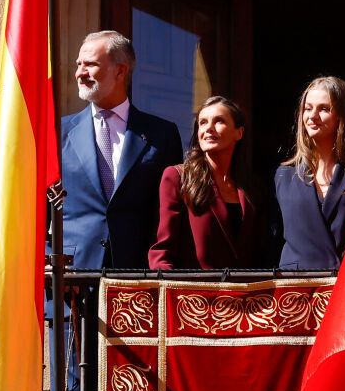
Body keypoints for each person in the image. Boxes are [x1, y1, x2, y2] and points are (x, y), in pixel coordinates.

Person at [56, 31, 183, 269]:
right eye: (78, 64)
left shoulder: (162, 134)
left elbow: (169, 210)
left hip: (136, 273)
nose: (80, 73)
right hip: (72, 275)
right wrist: (47, 259)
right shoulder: (57, 132)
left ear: (120, 71)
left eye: (90, 64)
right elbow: (37, 204)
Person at [151, 96, 265, 269]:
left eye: (219, 121)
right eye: (203, 122)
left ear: (239, 133)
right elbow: (162, 253)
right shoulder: (178, 177)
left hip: (245, 286)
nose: (209, 128)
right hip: (194, 286)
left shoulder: (254, 188)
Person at [269, 76, 345, 271]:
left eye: (324, 109)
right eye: (308, 109)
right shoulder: (283, 176)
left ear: (343, 116)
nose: (312, 116)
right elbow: (272, 239)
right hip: (296, 284)